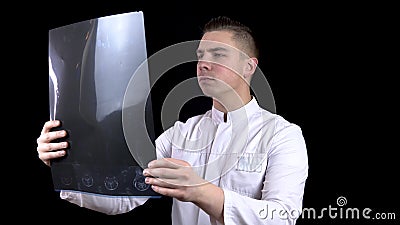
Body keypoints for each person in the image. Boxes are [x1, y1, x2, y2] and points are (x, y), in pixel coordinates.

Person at [37, 16, 308, 225]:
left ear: (249, 67)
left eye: (218, 55)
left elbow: (282, 215)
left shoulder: (282, 135)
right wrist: (64, 166)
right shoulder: (179, 135)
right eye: (200, 56)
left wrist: (201, 191)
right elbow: (123, 198)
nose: (203, 63)